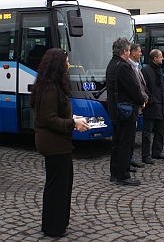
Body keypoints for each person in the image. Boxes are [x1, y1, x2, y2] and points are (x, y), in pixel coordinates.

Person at [30, 48, 90, 237]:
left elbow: (55, 113)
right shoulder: (51, 88)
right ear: (57, 64)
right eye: (66, 60)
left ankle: (57, 223)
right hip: (54, 145)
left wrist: (73, 117)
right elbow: (49, 118)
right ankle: (53, 227)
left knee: (61, 185)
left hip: (59, 144)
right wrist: (73, 123)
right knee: (57, 187)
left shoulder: (51, 85)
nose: (69, 63)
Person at [106, 37, 145, 186]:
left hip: (116, 109)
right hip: (126, 110)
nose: (130, 53)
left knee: (117, 142)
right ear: (124, 51)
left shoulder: (111, 64)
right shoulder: (123, 66)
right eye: (129, 50)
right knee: (126, 144)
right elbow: (133, 88)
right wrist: (141, 100)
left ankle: (115, 173)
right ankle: (123, 175)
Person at [141, 49, 164, 162]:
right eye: (161, 56)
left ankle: (157, 152)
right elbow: (144, 87)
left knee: (160, 131)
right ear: (155, 58)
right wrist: (151, 99)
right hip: (152, 106)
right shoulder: (146, 70)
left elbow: (163, 87)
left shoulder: (160, 70)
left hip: (161, 105)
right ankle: (146, 155)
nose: (163, 58)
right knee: (147, 132)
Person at [128, 43, 148, 166]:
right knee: (128, 135)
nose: (141, 54)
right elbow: (136, 87)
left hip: (139, 103)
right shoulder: (129, 67)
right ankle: (129, 159)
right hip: (134, 105)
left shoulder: (136, 67)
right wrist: (142, 99)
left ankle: (131, 158)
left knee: (132, 134)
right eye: (139, 52)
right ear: (132, 53)